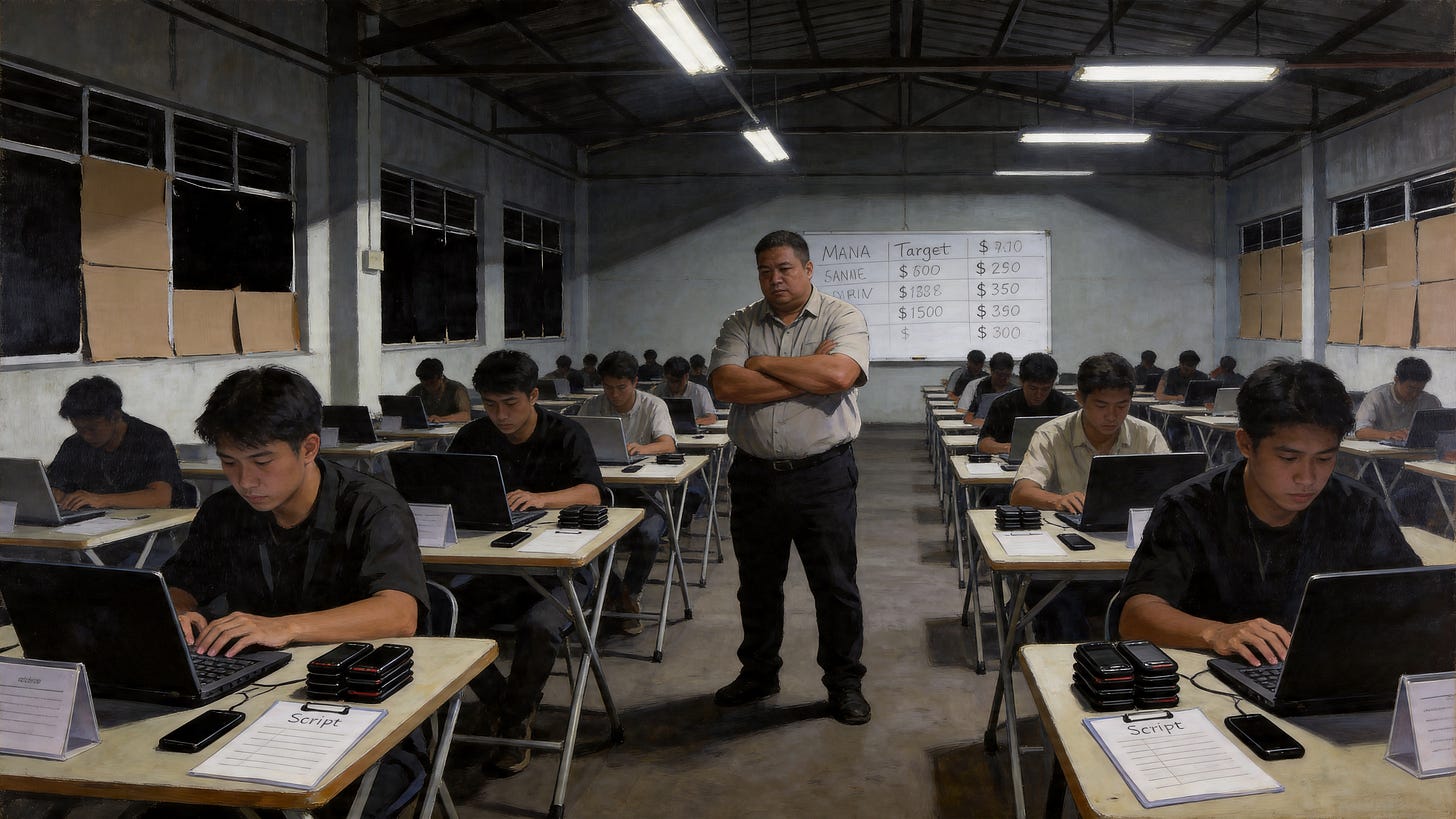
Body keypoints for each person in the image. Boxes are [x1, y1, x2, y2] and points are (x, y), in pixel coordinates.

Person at [162, 366, 430, 817]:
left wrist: (283, 627)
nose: (245, 480)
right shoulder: (225, 511)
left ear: (309, 448)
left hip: (358, 700)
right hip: (252, 699)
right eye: (229, 462)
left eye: (262, 461)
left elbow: (400, 613)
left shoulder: (372, 507)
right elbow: (180, 584)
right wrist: (180, 610)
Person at [1119, 359, 1420, 666]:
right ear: (1246, 444)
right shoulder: (1190, 506)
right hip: (1212, 676)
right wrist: (1216, 632)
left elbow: (1414, 599)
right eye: (1289, 458)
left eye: (1324, 459)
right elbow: (1134, 616)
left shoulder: (1357, 506)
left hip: (1322, 672)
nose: (1307, 478)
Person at [709, 229, 872, 725]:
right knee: (757, 584)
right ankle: (759, 673)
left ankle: (844, 683)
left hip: (823, 475)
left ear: (807, 269)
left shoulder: (843, 316)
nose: (775, 279)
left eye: (784, 269)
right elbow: (724, 385)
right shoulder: (739, 321)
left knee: (835, 585)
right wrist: (806, 373)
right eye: (765, 271)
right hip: (754, 476)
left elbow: (838, 377)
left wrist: (762, 365)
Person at [447, 350, 605, 774]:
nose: (500, 415)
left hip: (562, 571)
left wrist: (541, 499)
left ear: (533, 396)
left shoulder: (566, 433)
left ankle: (513, 719)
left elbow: (592, 493)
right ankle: (507, 704)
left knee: (540, 625)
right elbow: (449, 489)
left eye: (510, 403)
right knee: (443, 615)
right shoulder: (473, 436)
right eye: (490, 404)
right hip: (498, 568)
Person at [1009, 353, 1170, 640]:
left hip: (1128, 557)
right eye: (1101, 405)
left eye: (1122, 406)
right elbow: (1021, 493)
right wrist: (1057, 500)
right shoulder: (1052, 434)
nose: (1112, 416)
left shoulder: (1147, 435)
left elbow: (1171, 495)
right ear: (1080, 399)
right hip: (1065, 563)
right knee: (1060, 609)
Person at [579, 350, 677, 633]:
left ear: (635, 382)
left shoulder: (653, 405)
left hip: (645, 493)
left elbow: (668, 444)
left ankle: (628, 593)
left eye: (621, 387)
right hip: (605, 492)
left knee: (649, 535)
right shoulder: (592, 406)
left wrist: (642, 448)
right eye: (608, 387)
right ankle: (619, 597)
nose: (614, 394)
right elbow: (576, 443)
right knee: (589, 533)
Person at [48, 375, 185, 512]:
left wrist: (100, 500)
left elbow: (161, 498)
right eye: (79, 429)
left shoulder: (152, 439)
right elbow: (53, 487)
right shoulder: (74, 445)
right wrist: (58, 496)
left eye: (92, 429)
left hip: (150, 522)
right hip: (94, 522)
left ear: (115, 417)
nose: (86, 436)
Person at [976, 352, 1079, 456]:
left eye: (1045, 389)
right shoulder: (1003, 405)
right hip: (1011, 462)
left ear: (1052, 384)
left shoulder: (1067, 407)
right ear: (1021, 381)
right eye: (1033, 388)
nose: (1038, 394)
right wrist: (1011, 448)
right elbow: (983, 444)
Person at [1353, 357, 1442, 442]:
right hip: (1380, 450)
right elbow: (1360, 431)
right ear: (1396, 379)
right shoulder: (1376, 396)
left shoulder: (1430, 401)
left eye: (1419, 389)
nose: (1415, 394)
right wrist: (1389, 435)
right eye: (1410, 388)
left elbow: (1441, 432)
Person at [652, 355, 719, 427]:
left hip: (692, 430)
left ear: (687, 376)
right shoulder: (659, 391)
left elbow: (712, 418)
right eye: (671, 381)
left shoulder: (700, 391)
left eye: (678, 381)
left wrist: (689, 423)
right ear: (665, 377)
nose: (674, 385)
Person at [406, 357, 471, 423]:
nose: (429, 387)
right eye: (425, 384)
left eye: (432, 382)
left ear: (441, 377)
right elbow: (404, 406)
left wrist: (441, 419)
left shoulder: (457, 389)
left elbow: (466, 416)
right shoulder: (417, 390)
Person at [962, 351, 1018, 424]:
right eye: (999, 374)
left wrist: (988, 423)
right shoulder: (983, 386)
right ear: (991, 371)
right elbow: (969, 415)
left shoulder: (1015, 392)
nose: (1003, 378)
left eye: (1007, 375)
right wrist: (973, 421)